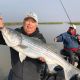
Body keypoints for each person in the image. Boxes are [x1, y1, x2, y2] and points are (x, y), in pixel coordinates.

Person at [0, 12, 48, 80]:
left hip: (33, 77)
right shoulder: (16, 32)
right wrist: (1, 28)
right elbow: (2, 38)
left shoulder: (40, 39)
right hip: (15, 75)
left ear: (36, 25)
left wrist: (43, 60)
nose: (29, 24)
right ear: (23, 22)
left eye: (33, 21)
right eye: (27, 20)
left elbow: (43, 61)